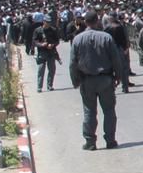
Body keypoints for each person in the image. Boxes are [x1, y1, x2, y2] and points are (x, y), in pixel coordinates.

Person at [69, 10, 122, 150]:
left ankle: (90, 141)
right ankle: (110, 140)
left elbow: (72, 63)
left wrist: (75, 81)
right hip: (105, 79)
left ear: (85, 22)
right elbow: (116, 59)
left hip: (87, 80)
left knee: (89, 111)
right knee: (109, 110)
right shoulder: (106, 37)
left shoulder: (77, 39)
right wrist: (118, 76)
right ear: (97, 21)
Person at [33, 15, 60, 92]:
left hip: (51, 52)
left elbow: (57, 41)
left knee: (52, 69)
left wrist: (53, 45)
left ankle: (50, 85)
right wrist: (41, 44)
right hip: (42, 52)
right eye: (47, 22)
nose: (48, 23)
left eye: (49, 22)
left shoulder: (53, 30)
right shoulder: (38, 30)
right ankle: (39, 86)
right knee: (41, 70)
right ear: (43, 22)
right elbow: (35, 41)